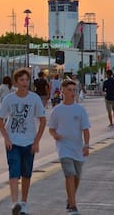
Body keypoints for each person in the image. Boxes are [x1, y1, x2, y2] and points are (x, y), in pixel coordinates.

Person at [0, 68, 46, 215]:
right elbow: (0, 120)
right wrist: (6, 138)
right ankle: (15, 203)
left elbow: (42, 121)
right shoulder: (9, 99)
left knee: (26, 174)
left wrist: (36, 141)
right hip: (13, 142)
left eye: (26, 80)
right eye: (21, 80)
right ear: (16, 82)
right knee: (14, 172)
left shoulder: (34, 99)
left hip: (29, 142)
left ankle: (24, 203)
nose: (25, 83)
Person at [48, 77, 90, 214]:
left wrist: (86, 145)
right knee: (69, 174)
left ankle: (70, 199)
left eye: (74, 90)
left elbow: (85, 129)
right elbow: (51, 128)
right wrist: (55, 136)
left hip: (77, 148)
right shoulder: (57, 110)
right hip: (63, 148)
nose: (72, 92)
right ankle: (72, 205)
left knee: (77, 176)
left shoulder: (80, 110)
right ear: (63, 91)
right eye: (69, 90)